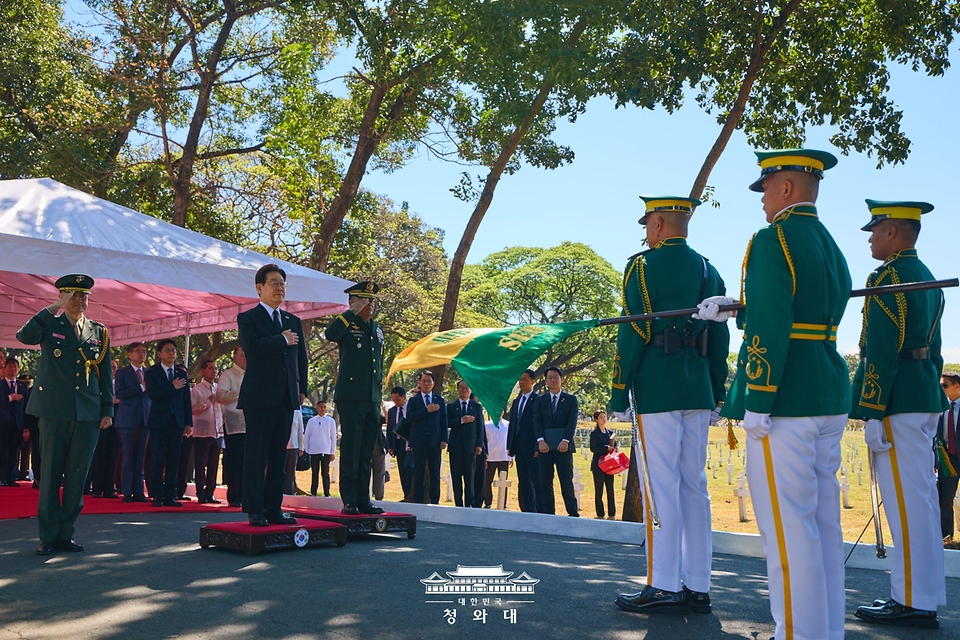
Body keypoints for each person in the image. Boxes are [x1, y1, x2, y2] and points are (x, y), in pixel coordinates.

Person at [709, 149, 851, 640]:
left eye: (766, 189)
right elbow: (800, 313)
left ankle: (796, 634)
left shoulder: (773, 240)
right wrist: (737, 310)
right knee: (823, 529)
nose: (763, 201)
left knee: (788, 533)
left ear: (786, 188)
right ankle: (825, 631)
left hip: (785, 398)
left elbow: (772, 326)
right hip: (828, 390)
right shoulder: (829, 243)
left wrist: (759, 400)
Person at [611, 195, 730, 615]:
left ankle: (663, 583)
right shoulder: (708, 270)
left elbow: (633, 332)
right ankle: (697, 585)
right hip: (697, 388)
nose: (646, 232)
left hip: (658, 389)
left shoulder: (642, 267)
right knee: (694, 488)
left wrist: (618, 388)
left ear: (659, 224)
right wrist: (717, 389)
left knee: (662, 488)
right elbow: (719, 338)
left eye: (648, 224)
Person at [850, 199, 947, 629]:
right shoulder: (929, 278)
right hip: (922, 395)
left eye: (875, 230)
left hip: (898, 402)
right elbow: (936, 349)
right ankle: (920, 596)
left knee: (907, 506)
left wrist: (871, 410)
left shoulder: (887, 277)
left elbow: (880, 353)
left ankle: (911, 600)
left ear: (892, 231)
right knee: (921, 502)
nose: (871, 238)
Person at [17, 274, 114, 555]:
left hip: (87, 413)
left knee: (77, 476)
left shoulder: (99, 331)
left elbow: (105, 376)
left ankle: (65, 533)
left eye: (84, 296)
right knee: (49, 475)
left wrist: (107, 409)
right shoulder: (51, 324)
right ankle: (48, 535)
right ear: (62, 296)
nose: (80, 300)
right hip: (54, 411)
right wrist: (52, 308)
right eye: (74, 295)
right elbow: (24, 336)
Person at [237, 264, 306, 526]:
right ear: (259, 288)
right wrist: (280, 340)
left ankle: (273, 508)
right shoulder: (248, 318)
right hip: (259, 397)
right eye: (274, 283)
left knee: (279, 455)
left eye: (282, 283)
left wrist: (302, 389)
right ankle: (255, 508)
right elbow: (252, 349)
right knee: (257, 454)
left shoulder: (292, 321)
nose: (280, 287)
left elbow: (301, 360)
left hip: (286, 397)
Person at [324, 281, 385, 516]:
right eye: (362, 300)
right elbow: (331, 334)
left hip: (371, 398)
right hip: (351, 398)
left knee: (366, 452)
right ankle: (349, 500)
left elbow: (377, 363)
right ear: (352, 302)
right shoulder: (347, 324)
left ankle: (363, 499)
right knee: (351, 450)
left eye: (371, 301)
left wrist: (379, 396)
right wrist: (351, 312)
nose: (368, 305)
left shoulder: (376, 328)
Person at [145, 339, 193, 507]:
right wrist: (172, 387)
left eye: (173, 350)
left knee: (174, 459)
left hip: (177, 422)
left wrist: (188, 422)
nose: (171, 353)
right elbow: (153, 394)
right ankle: (157, 494)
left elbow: (186, 399)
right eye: (167, 350)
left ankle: (170, 495)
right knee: (158, 458)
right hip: (159, 422)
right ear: (159, 354)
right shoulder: (152, 373)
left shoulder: (181, 373)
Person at [532, 366, 579, 517]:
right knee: (545, 481)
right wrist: (540, 441)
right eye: (550, 378)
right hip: (544, 447)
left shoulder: (571, 400)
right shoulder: (540, 400)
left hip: (563, 447)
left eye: (555, 377)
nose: (552, 380)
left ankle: (572, 512)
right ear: (546, 381)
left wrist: (566, 440)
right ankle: (548, 513)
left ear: (561, 379)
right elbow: (537, 421)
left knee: (566, 481)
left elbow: (572, 422)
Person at [114, 343, 151, 502]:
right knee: (128, 456)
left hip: (145, 419)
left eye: (144, 352)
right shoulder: (122, 373)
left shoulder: (149, 373)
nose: (142, 354)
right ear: (129, 354)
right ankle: (127, 491)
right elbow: (120, 393)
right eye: (138, 351)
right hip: (128, 420)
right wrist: (140, 388)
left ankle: (139, 492)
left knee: (140, 457)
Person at [406, 370, 448, 504]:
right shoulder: (414, 400)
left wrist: (443, 439)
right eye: (423, 381)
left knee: (435, 472)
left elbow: (444, 421)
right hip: (419, 441)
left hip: (435, 441)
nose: (426, 384)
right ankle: (418, 500)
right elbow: (410, 417)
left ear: (433, 384)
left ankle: (435, 500)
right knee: (418, 471)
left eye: (429, 381)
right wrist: (426, 410)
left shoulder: (439, 400)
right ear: (419, 383)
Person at [446, 380, 485, 507]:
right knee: (456, 478)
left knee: (470, 478)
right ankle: (458, 504)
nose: (464, 390)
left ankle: (469, 505)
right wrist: (461, 420)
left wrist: (479, 445)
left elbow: (480, 427)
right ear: (457, 390)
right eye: (461, 388)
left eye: (466, 388)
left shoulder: (476, 406)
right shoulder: (451, 406)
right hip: (455, 448)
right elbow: (447, 423)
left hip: (470, 448)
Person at [506, 370, 541, 512]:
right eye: (520, 380)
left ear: (533, 381)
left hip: (533, 447)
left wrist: (537, 446)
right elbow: (513, 424)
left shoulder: (538, 400)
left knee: (536, 480)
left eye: (525, 380)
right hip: (519, 447)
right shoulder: (516, 401)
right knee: (524, 480)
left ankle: (538, 509)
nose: (521, 382)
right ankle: (526, 509)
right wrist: (510, 445)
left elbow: (538, 425)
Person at [216, 346, 246, 507]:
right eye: (242, 355)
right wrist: (242, 392)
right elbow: (220, 396)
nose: (246, 358)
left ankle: (245, 494)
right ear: (234, 357)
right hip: (234, 425)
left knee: (247, 462)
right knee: (234, 461)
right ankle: (233, 495)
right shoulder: (228, 375)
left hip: (251, 425)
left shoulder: (253, 374)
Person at [190, 359, 223, 503]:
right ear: (203, 371)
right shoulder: (197, 390)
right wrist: (208, 402)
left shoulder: (219, 388)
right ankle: (201, 493)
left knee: (214, 464)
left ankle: (210, 493)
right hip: (202, 433)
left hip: (217, 432)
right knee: (200, 464)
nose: (214, 371)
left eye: (215, 369)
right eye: (211, 368)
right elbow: (192, 410)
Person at [937, 371, 960, 542]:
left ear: (956, 386)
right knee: (945, 500)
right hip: (947, 460)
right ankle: (946, 536)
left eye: (944, 385)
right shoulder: (939, 406)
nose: (941, 388)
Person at [0, 358, 29, 486]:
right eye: (10, 366)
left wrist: (26, 427)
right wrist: (10, 398)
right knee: (2, 451)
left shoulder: (22, 386)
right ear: (5, 368)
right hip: (3, 423)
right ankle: (2, 477)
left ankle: (11, 477)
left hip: (18, 424)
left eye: (15, 367)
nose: (13, 369)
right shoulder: (1, 384)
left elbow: (26, 407)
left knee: (14, 451)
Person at [303, 400, 337, 496]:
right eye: (321, 407)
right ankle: (313, 492)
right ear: (317, 408)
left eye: (324, 407)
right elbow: (307, 436)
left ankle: (327, 492)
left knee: (325, 473)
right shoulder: (312, 421)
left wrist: (332, 452)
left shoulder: (330, 421)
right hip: (314, 450)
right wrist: (307, 449)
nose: (322, 409)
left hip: (325, 450)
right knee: (315, 473)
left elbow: (333, 437)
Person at [385, 386, 412, 501]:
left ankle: (412, 493)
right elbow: (390, 429)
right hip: (398, 444)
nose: (396, 402)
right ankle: (406, 494)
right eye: (394, 400)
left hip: (410, 444)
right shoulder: (392, 411)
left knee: (409, 467)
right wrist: (390, 446)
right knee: (402, 469)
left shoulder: (411, 408)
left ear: (404, 397)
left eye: (398, 400)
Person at [589, 410, 616, 520]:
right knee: (599, 490)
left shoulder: (610, 433)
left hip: (609, 464)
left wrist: (614, 448)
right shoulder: (594, 433)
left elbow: (614, 444)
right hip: (598, 465)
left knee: (610, 489)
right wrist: (606, 448)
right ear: (596, 420)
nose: (604, 419)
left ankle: (612, 513)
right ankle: (600, 513)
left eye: (605, 417)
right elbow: (593, 448)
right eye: (601, 417)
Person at [482, 413, 513, 508]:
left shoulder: (508, 425)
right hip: (490, 457)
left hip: (504, 457)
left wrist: (512, 457)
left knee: (503, 482)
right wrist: (484, 456)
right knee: (487, 481)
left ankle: (503, 502)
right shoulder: (487, 425)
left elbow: (510, 440)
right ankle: (488, 502)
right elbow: (484, 441)